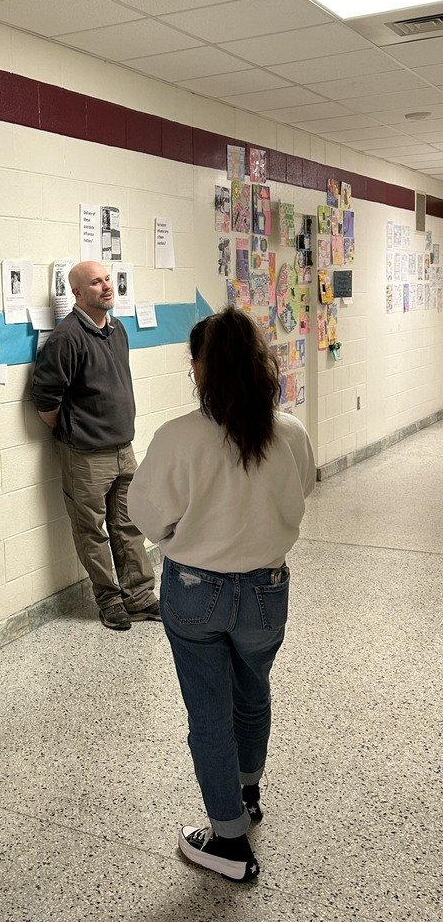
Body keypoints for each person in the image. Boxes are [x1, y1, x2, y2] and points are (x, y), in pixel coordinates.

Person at [129, 307, 315, 883]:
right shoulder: (289, 432)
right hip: (266, 590)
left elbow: (145, 517)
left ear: (197, 368)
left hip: (194, 591)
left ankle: (229, 843)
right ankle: (247, 791)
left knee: (208, 712)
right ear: (261, 363)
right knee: (252, 692)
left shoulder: (178, 437)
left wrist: (186, 532)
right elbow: (304, 488)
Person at [31, 260, 158, 631]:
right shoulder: (67, 337)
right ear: (77, 293)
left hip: (123, 447)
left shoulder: (116, 329)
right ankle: (109, 601)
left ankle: (140, 596)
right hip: (85, 454)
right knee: (92, 530)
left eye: (107, 279)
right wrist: (74, 428)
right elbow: (45, 399)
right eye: (95, 283)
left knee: (130, 524)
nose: (105, 286)